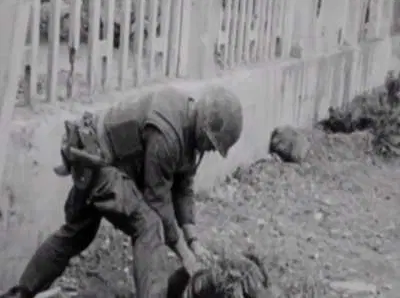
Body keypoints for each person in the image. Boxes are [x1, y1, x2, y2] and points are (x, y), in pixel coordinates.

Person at [0, 85, 244, 298]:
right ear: (203, 126)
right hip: (99, 161)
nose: (211, 150)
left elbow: (183, 188)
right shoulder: (167, 132)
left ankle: (22, 292)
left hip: (108, 165)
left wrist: (194, 242)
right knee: (149, 226)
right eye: (212, 144)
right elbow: (157, 199)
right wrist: (185, 255)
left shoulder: (190, 135)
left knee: (77, 233)